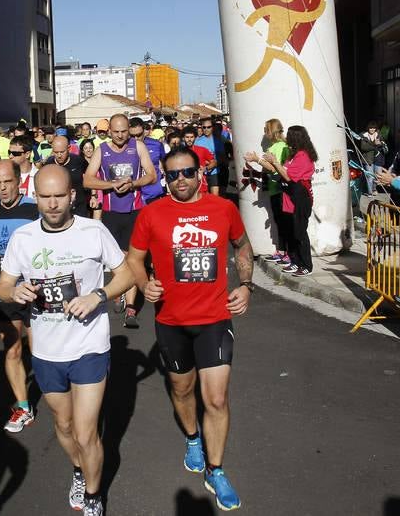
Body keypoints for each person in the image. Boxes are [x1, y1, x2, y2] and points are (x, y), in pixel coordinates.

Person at [0, 165, 135, 516]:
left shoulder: (94, 231)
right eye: (46, 197)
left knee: (87, 432)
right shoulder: (24, 238)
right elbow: (2, 285)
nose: (53, 204)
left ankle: (92, 494)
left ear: (72, 195)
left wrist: (98, 296)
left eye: (60, 196)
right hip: (45, 350)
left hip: (89, 345)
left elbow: (127, 273)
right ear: (36, 197)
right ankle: (78, 470)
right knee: (64, 425)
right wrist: (16, 290)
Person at [129, 147, 253, 512]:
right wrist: (144, 284)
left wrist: (246, 285)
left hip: (214, 317)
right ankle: (193, 438)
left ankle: (216, 470)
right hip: (171, 321)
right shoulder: (152, 214)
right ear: (165, 179)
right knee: (182, 391)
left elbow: (243, 247)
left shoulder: (224, 209)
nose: (180, 179)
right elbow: (134, 258)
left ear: (200, 173)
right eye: (172, 174)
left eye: (186, 172)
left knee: (215, 399)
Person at [0, 159, 39, 433]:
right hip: (3, 291)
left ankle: (54, 390)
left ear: (18, 181)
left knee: (37, 349)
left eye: (8, 182)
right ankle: (23, 406)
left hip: (33, 290)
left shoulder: (33, 208)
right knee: (12, 348)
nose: (3, 188)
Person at [83, 113, 156, 325]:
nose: (121, 136)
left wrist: (133, 184)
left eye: (124, 131)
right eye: (116, 132)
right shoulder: (102, 150)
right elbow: (88, 180)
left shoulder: (137, 147)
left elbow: (151, 174)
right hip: (112, 213)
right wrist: (111, 185)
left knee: (133, 258)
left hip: (135, 211)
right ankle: (119, 291)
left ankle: (131, 308)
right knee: (116, 259)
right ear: (109, 131)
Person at [262, 125, 317, 276]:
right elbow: (282, 172)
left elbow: (288, 176)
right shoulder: (293, 154)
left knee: (300, 232)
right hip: (289, 195)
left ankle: (306, 265)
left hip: (300, 195)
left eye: (289, 135)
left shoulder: (303, 156)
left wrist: (275, 162)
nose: (287, 137)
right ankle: (295, 261)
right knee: (291, 231)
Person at [244, 119, 290, 265]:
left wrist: (256, 159)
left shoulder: (281, 146)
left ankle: (286, 252)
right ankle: (281, 251)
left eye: (266, 130)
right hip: (273, 188)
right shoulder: (274, 145)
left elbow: (273, 168)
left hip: (280, 189)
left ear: (272, 131)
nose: (264, 133)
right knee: (278, 221)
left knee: (283, 222)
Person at [46, 136, 89, 217]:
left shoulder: (79, 161)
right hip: (59, 208)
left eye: (62, 152)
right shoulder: (49, 164)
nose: (59, 155)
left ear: (69, 148)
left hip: (79, 207)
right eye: (56, 152)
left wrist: (93, 195)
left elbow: (90, 177)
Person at [130, 117, 166, 204]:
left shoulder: (156, 145)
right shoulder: (122, 147)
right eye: (132, 136)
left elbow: (165, 162)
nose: (135, 139)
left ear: (144, 131)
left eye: (138, 135)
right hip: (133, 195)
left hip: (153, 194)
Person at [194, 118, 224, 195]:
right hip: (201, 174)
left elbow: (221, 158)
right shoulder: (197, 141)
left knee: (215, 198)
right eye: (204, 127)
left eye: (209, 127)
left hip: (214, 173)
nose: (206, 129)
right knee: (203, 197)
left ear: (212, 127)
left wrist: (210, 165)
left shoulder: (217, 141)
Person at [181, 127, 215, 194]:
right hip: (185, 187)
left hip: (201, 186)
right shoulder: (179, 152)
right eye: (187, 137)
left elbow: (214, 162)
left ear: (195, 138)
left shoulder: (202, 150)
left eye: (192, 137)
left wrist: (205, 168)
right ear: (183, 138)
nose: (189, 139)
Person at [360, 121, 386, 196]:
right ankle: (370, 192)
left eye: (374, 128)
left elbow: (384, 146)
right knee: (370, 177)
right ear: (368, 128)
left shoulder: (379, 135)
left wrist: (381, 144)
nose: (372, 129)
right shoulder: (364, 136)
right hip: (368, 159)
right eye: (370, 128)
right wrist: (374, 144)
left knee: (377, 176)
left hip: (378, 159)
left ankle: (374, 189)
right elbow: (363, 147)